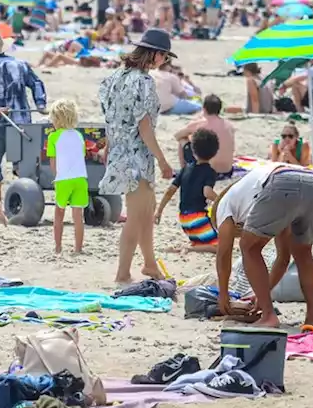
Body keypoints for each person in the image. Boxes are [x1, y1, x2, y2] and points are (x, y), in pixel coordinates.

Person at [213, 161, 313, 328]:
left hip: (283, 183)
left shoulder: (223, 206)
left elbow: (224, 254)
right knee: (303, 253)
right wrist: (263, 293)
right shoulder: (251, 194)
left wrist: (223, 294)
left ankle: (269, 316)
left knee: (248, 247)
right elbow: (283, 257)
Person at [99, 29, 176, 283]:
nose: (164, 62)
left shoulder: (114, 77)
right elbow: (144, 129)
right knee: (136, 215)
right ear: (154, 54)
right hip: (137, 155)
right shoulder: (143, 82)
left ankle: (150, 264)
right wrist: (163, 161)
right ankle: (123, 272)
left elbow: (112, 118)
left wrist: (108, 146)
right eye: (164, 57)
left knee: (144, 211)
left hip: (119, 151)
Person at [0, 28, 48, 205]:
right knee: (24, 163)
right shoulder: (20, 64)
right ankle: (26, 201)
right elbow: (36, 83)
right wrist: (40, 104)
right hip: (21, 120)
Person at [155, 128, 221, 253]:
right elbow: (207, 192)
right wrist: (221, 200)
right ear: (215, 152)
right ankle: (190, 248)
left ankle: (190, 246)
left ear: (193, 149)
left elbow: (170, 190)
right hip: (198, 218)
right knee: (219, 246)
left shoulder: (185, 168)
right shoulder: (209, 172)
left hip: (184, 219)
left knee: (201, 240)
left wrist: (159, 211)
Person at [46, 99, 89, 253]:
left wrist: (56, 175)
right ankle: (78, 248)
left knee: (59, 213)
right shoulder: (78, 135)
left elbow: (53, 161)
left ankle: (58, 247)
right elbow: (81, 156)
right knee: (78, 215)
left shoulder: (53, 137)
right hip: (80, 178)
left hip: (63, 179)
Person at [174, 94, 235, 176]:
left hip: (207, 171)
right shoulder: (229, 125)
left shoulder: (200, 124)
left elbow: (177, 136)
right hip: (227, 170)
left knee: (183, 139)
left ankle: (184, 170)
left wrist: (193, 125)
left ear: (204, 109)